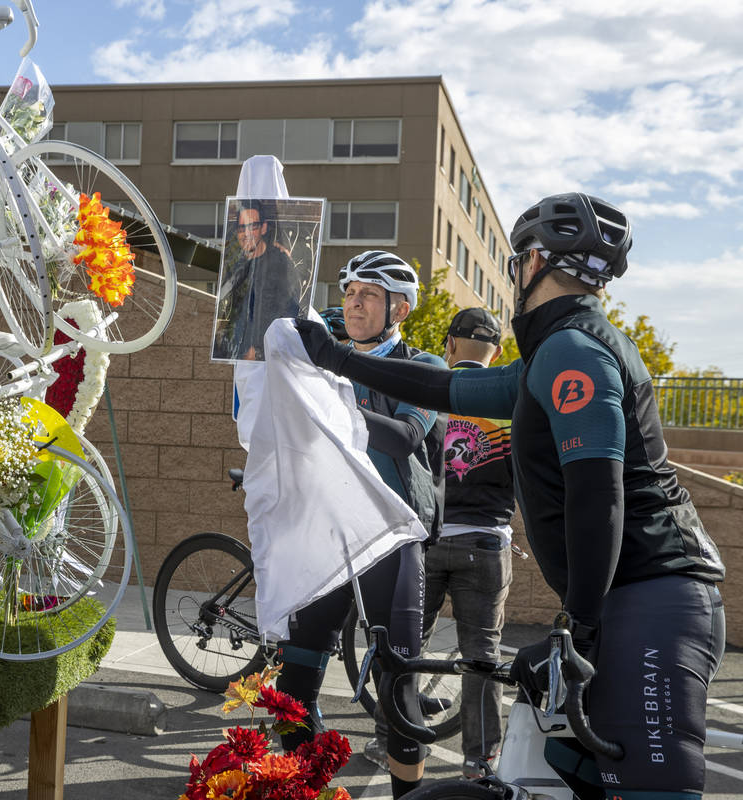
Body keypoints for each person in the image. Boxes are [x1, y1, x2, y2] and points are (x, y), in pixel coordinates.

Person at [294, 192, 726, 800]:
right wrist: (336, 357)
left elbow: (598, 496)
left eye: (519, 258)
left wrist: (576, 627)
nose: (514, 271)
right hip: (628, 596)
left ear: (537, 261)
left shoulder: (574, 350)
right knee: (570, 780)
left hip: (654, 593)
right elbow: (443, 385)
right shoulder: (550, 355)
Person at [276, 250, 446, 799]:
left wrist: (333, 401)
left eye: (369, 294)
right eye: (349, 291)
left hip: (392, 539)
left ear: (399, 308)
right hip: (328, 534)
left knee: (397, 690)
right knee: (294, 681)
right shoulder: (324, 362)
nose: (353, 301)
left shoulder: (427, 368)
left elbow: (404, 438)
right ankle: (312, 786)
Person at [426, 307, 515, 780]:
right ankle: (480, 762)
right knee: (482, 657)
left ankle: (392, 739)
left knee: (405, 646)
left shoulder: (431, 391)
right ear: (497, 352)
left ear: (450, 344)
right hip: (486, 543)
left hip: (429, 540)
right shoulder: (509, 404)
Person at [214, 200, 300, 361]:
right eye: (241, 227)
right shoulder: (236, 265)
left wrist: (259, 349)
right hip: (234, 352)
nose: (246, 233)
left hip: (267, 358)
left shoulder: (280, 263)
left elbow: (289, 311)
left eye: (252, 226)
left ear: (263, 228)